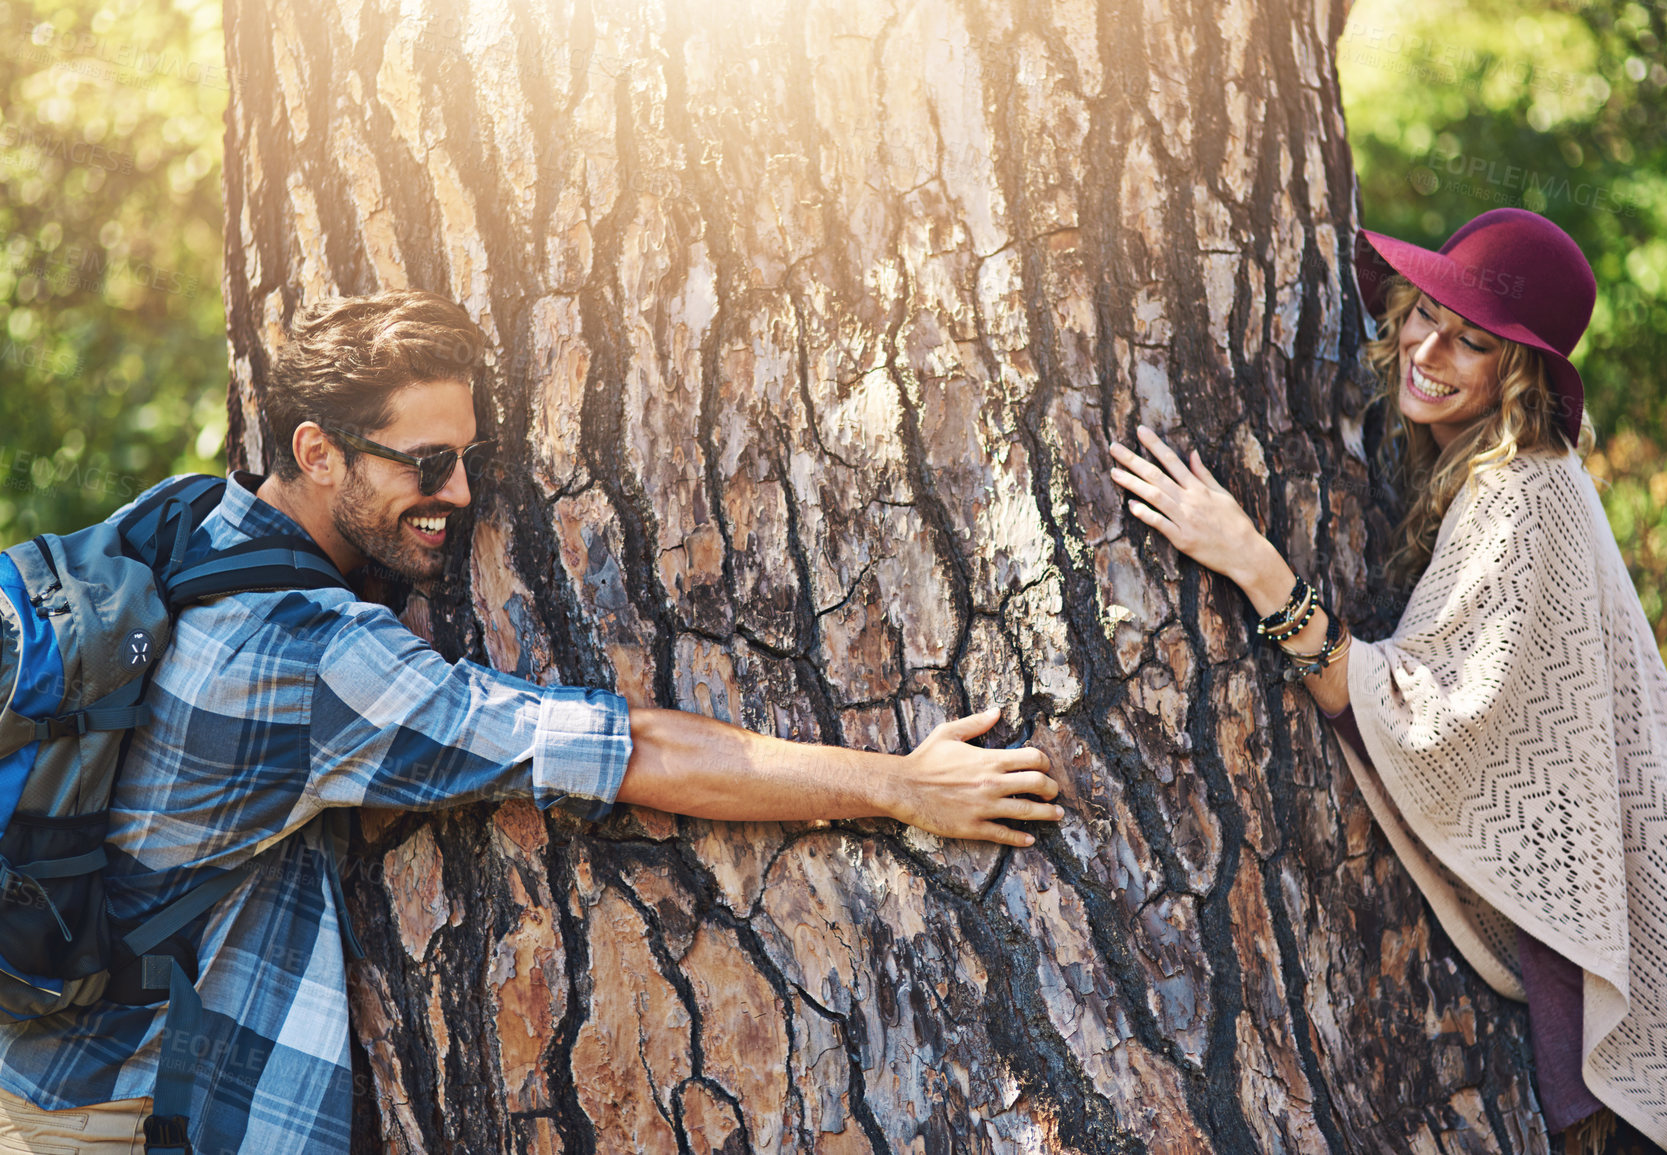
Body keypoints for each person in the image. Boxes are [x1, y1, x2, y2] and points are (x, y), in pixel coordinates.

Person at [0, 290, 1063, 1155]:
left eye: (466, 458)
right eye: (426, 463)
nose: (458, 491)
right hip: (79, 1106)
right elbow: (622, 748)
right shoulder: (322, 659)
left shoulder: (188, 519)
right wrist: (897, 788)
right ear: (319, 451)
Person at [1106, 208, 1667, 1155]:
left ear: (1514, 376)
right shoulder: (1477, 469)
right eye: (1423, 313)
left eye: (1470, 341)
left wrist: (1248, 558)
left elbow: (1429, 718)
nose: (1426, 348)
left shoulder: (1523, 491)